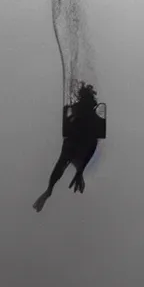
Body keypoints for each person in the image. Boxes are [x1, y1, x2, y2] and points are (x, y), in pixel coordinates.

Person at [33, 82, 101, 213]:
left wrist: (80, 171)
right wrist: (49, 190)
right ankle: (51, 189)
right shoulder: (81, 117)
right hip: (78, 148)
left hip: (80, 148)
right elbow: (62, 163)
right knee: (66, 161)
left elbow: (92, 145)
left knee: (67, 160)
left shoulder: (87, 119)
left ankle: (52, 189)